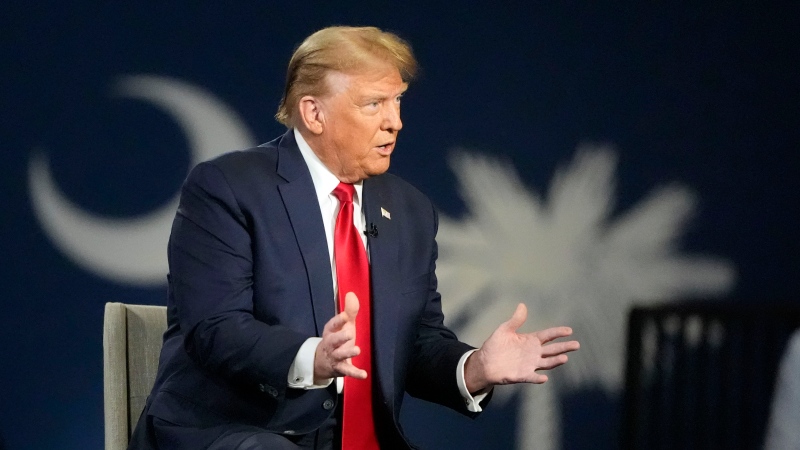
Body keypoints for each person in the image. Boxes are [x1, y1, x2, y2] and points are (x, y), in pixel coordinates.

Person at [128, 26, 579, 450]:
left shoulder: (410, 211)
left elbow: (418, 342)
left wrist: (474, 368)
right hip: (240, 433)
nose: (395, 122)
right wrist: (313, 356)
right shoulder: (228, 187)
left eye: (398, 101)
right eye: (374, 104)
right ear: (314, 112)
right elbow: (216, 329)